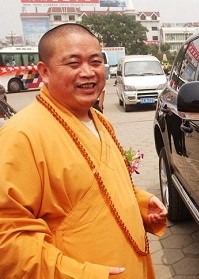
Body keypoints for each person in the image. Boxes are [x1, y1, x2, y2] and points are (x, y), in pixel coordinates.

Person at [0, 23, 167, 278]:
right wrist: (81, 273)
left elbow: (99, 186)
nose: (88, 72)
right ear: (44, 72)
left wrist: (141, 203)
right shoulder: (21, 135)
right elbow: (7, 241)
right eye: (73, 63)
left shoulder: (100, 121)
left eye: (95, 61)